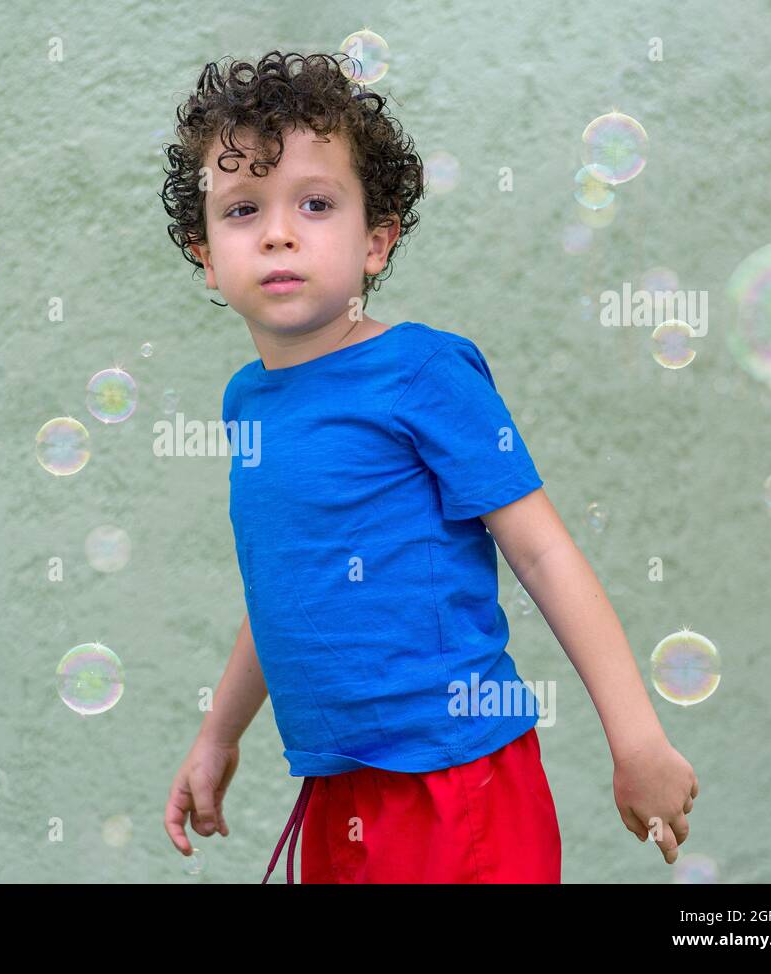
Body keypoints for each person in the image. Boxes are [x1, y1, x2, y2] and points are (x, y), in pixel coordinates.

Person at [160, 51, 698, 883]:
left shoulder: (423, 372)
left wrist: (636, 741)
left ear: (377, 241)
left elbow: (543, 552)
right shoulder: (249, 403)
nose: (277, 230)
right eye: (241, 209)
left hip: (459, 782)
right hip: (338, 786)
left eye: (315, 202)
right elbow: (284, 586)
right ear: (204, 253)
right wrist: (218, 735)